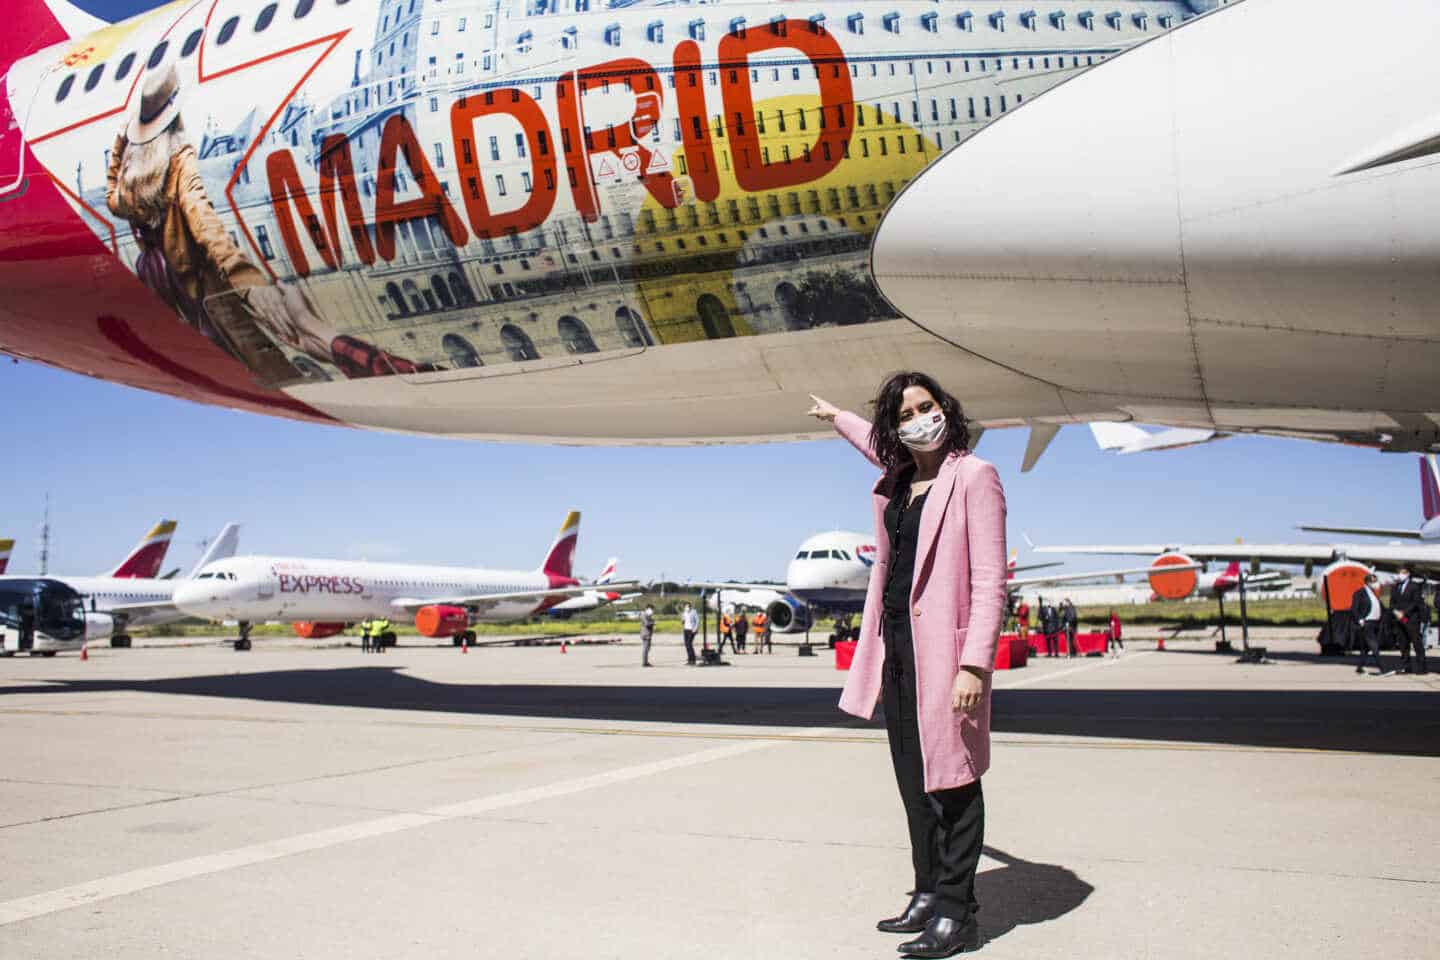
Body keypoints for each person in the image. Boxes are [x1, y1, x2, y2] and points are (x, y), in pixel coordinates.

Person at [809, 372, 1004, 958]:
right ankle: (926, 891)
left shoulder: (974, 476)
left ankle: (956, 913)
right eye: (906, 414)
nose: (922, 419)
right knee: (912, 781)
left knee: (954, 783)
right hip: (895, 645)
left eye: (928, 406)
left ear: (946, 407)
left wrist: (975, 665)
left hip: (946, 651)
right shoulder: (898, 480)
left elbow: (992, 579)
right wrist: (838, 416)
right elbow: (878, 443)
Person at [1390, 568, 1427, 675]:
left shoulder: (1414, 586)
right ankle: (1407, 666)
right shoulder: (1395, 587)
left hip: (1411, 619)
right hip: (1399, 619)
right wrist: (1395, 612)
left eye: (1403, 573)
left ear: (1408, 574)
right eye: (1399, 573)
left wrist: (1404, 613)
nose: (1400, 575)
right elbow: (1392, 603)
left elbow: (1415, 603)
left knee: (1416, 643)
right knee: (1403, 644)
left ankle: (1422, 667)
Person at [1351, 575, 1387, 676]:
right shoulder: (1359, 593)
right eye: (1374, 581)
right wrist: (1359, 620)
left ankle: (1359, 667)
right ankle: (1382, 667)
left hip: (1375, 623)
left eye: (1376, 581)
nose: (1376, 584)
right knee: (1374, 645)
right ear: (1367, 582)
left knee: (1366, 648)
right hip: (1366, 623)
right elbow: (1354, 608)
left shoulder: (1373, 593)